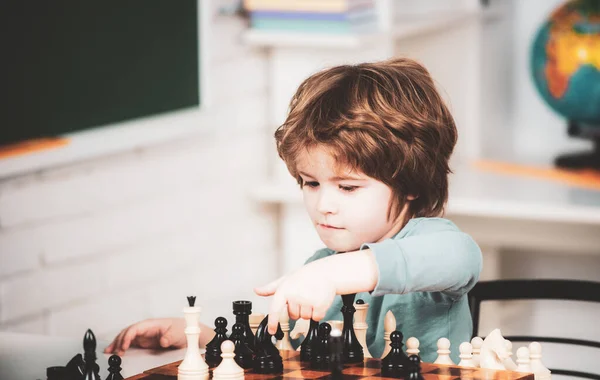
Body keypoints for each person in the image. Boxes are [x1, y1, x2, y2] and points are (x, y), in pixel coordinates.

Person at [105, 57, 482, 363]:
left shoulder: (430, 243)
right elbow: (285, 353)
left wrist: (332, 276)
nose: (323, 204)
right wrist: (198, 335)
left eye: (348, 187)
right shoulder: (320, 265)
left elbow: (459, 256)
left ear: (411, 184)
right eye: (310, 183)